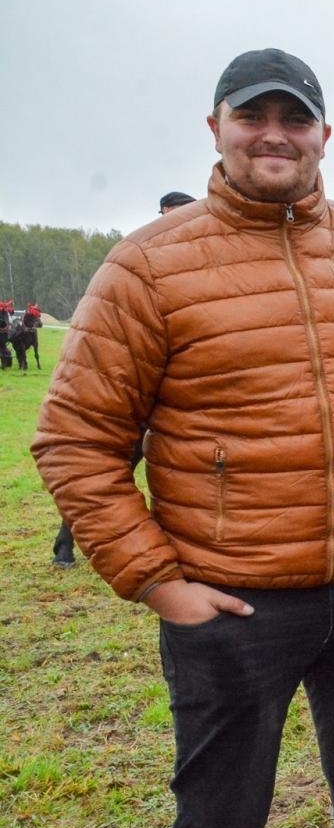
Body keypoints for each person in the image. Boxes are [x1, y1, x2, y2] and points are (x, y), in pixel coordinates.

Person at [32, 48, 334, 828]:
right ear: (215, 128)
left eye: (295, 119)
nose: (275, 135)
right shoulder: (148, 267)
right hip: (231, 606)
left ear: (325, 136)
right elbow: (74, 440)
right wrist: (158, 583)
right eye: (254, 117)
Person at [51, 190, 197, 569]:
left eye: (183, 214)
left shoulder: (202, 266)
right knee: (110, 467)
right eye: (170, 214)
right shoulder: (140, 261)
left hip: (182, 403)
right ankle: (65, 542)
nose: (174, 222)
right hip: (140, 402)